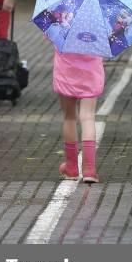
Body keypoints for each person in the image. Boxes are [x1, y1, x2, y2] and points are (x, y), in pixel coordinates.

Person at [53, 48, 104, 183]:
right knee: (88, 118)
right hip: (91, 73)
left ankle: (71, 167)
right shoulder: (97, 26)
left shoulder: (60, 25)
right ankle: (89, 170)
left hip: (66, 72)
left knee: (69, 117)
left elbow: (49, 34)